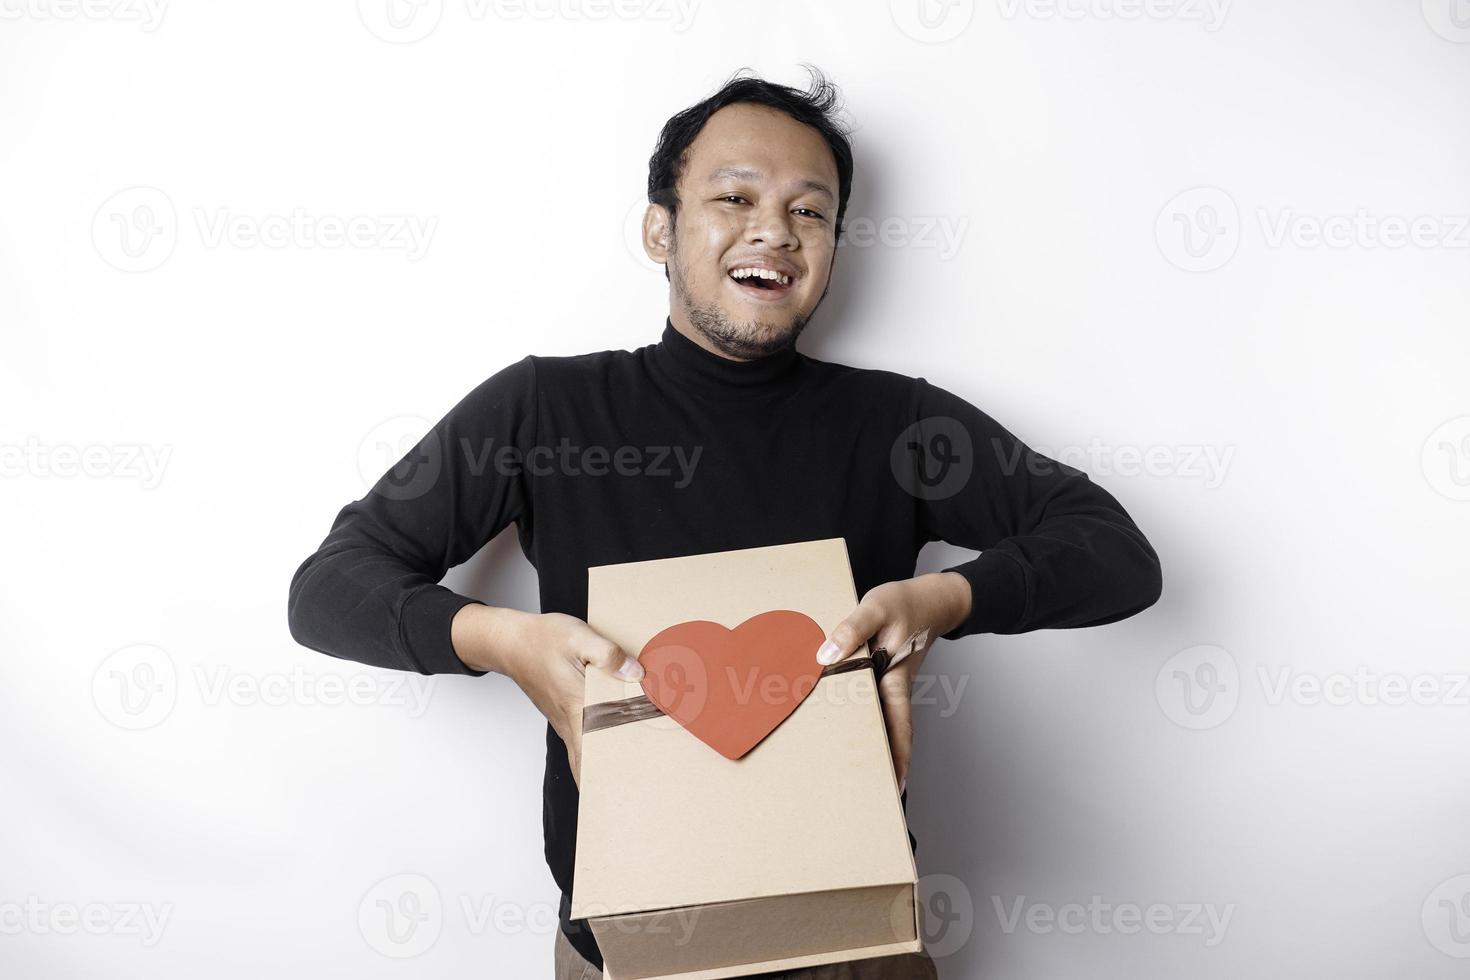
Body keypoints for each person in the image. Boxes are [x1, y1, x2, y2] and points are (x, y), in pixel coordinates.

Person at [287, 66, 1163, 979]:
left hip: (855, 944)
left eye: (810, 211)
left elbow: (1115, 554)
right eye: (733, 196)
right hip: (625, 953)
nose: (773, 231)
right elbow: (328, 588)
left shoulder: (898, 424)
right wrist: (501, 640)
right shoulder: (546, 407)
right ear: (659, 228)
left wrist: (941, 600)